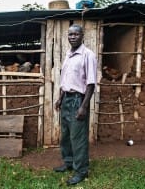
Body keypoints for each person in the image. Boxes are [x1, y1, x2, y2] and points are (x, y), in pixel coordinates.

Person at [53, 24, 97, 186]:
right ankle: (69, 162)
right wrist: (60, 98)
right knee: (66, 135)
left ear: (82, 35)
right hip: (66, 99)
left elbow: (91, 83)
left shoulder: (88, 55)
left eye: (76, 34)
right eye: (70, 34)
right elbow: (66, 80)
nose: (72, 37)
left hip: (79, 99)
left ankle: (82, 171)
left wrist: (84, 106)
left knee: (78, 137)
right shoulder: (68, 54)